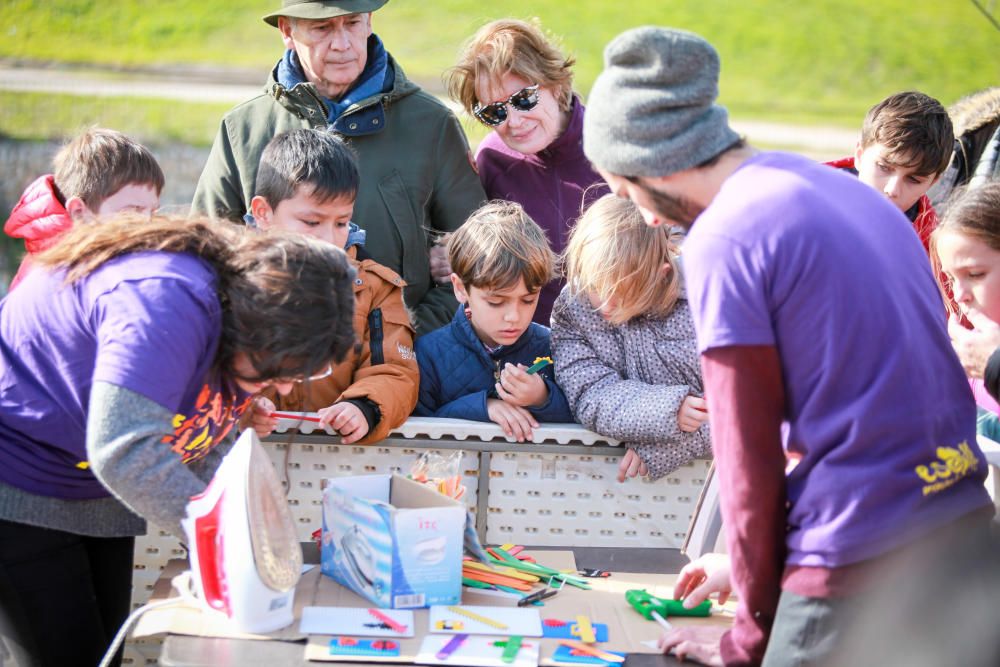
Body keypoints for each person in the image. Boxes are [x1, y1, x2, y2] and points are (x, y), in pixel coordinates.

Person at [583, 27, 994, 666]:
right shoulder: (858, 200)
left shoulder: (724, 240)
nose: (639, 213)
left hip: (854, 555)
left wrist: (749, 635)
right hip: (959, 525)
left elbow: (745, 459)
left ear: (655, 162)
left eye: (625, 187)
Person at [0, 216, 355, 667]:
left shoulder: (236, 325)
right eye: (276, 371)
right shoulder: (165, 304)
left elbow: (208, 442)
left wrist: (245, 545)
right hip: (17, 477)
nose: (282, 389)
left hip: (92, 484)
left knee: (103, 651)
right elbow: (125, 449)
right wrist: (230, 542)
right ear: (255, 325)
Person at [191, 0, 485, 336]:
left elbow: (478, 264)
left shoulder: (432, 124)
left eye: (352, 23)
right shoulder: (241, 129)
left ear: (369, 22)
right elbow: (205, 260)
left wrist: (405, 337)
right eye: (323, 28)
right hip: (274, 357)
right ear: (287, 31)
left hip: (404, 363)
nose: (342, 44)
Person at [245, 128, 418, 444]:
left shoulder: (374, 288)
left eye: (341, 223)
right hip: (245, 458)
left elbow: (394, 372)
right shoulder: (230, 282)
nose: (329, 238)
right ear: (263, 213)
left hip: (337, 459)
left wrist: (363, 406)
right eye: (311, 223)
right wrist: (242, 406)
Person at [446, 18, 608, 325]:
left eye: (523, 99)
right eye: (494, 111)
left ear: (556, 83)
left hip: (616, 349)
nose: (515, 121)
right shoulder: (492, 160)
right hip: (527, 349)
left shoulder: (615, 146)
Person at [550, 194, 710, 483]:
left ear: (660, 275)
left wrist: (674, 444)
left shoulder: (705, 302)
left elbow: (746, 406)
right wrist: (667, 410)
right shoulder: (574, 311)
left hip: (711, 486)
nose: (605, 305)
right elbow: (590, 393)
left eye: (623, 292)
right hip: (607, 488)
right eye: (598, 287)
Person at [414, 201, 573, 441]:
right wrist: (483, 408)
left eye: (528, 300)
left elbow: (585, 414)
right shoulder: (428, 354)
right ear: (460, 288)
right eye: (496, 302)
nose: (514, 317)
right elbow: (417, 431)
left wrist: (543, 397)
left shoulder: (552, 347)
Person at [4, 127, 163, 290]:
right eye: (132, 212)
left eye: (152, 213)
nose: (147, 225)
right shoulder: (56, 279)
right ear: (79, 212)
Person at [827, 91, 953, 254]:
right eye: (884, 167)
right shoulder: (801, 201)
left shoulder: (935, 253)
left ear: (933, 182)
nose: (892, 189)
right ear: (859, 155)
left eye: (914, 180)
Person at [933, 181, 1000, 435]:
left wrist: (994, 366)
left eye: (975, 274)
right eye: (950, 278)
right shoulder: (974, 354)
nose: (959, 295)